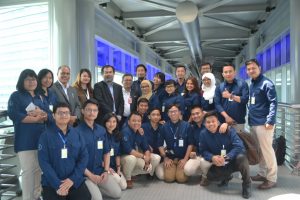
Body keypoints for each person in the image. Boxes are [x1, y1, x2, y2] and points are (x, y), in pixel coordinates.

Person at [8, 69, 51, 200]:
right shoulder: (16, 96)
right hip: (25, 140)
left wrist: (41, 115)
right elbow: (14, 115)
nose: (32, 82)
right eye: (28, 79)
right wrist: (36, 118)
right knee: (27, 171)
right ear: (22, 81)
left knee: (38, 169)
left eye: (33, 79)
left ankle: (36, 196)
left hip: (41, 139)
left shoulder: (40, 96)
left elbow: (47, 115)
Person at [38, 103, 91, 200]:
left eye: (66, 113)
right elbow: (44, 162)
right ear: (53, 115)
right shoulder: (45, 136)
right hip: (52, 183)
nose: (64, 115)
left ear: (70, 115)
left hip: (74, 180)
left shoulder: (77, 134)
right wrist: (58, 184)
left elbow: (84, 157)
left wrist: (72, 179)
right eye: (60, 113)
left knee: (87, 197)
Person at [198, 111, 251, 199]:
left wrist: (228, 156)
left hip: (233, 160)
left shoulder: (229, 130)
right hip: (218, 162)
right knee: (211, 177)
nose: (211, 124)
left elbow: (239, 146)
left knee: (242, 158)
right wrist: (212, 157)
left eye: (213, 121)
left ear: (218, 122)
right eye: (208, 122)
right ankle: (227, 177)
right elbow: (203, 151)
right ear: (204, 124)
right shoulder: (203, 134)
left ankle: (247, 184)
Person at [76, 99, 122, 200]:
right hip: (85, 175)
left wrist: (105, 171)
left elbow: (106, 152)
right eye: (89, 110)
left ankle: (95, 188)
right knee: (97, 199)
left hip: (100, 171)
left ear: (98, 112)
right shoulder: (76, 132)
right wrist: (91, 176)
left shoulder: (101, 130)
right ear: (83, 111)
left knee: (117, 194)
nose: (92, 113)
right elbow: (76, 160)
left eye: (95, 110)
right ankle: (88, 188)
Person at [245, 59, 278, 190]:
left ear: (259, 68)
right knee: (260, 150)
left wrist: (270, 120)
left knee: (267, 150)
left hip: (264, 123)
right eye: (249, 69)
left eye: (253, 68)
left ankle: (271, 178)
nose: (251, 71)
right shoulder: (252, 84)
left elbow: (273, 103)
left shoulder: (266, 83)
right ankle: (262, 173)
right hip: (254, 121)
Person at [120, 111, 161, 188]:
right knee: (131, 159)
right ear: (128, 122)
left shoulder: (140, 131)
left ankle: (132, 173)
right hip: (124, 157)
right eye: (134, 120)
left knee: (156, 159)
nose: (136, 123)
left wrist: (148, 158)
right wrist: (144, 157)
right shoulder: (125, 132)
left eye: (139, 121)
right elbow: (129, 150)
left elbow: (146, 147)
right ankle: (127, 178)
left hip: (136, 157)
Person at [156, 104, 193, 183]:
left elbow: (190, 144)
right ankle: (172, 169)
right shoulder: (164, 127)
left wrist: (185, 159)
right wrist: (165, 158)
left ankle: (178, 170)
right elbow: (160, 145)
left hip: (182, 158)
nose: (173, 113)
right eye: (170, 112)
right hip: (170, 158)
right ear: (168, 114)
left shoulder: (187, 125)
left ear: (179, 112)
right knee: (169, 179)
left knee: (181, 179)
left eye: (175, 111)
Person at [214, 64, 249, 133]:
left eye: (230, 71)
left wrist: (230, 96)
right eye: (226, 72)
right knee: (224, 143)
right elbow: (217, 104)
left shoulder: (242, 84)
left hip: (238, 122)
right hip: (223, 122)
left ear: (235, 72)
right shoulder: (219, 87)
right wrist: (227, 117)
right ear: (223, 74)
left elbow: (245, 100)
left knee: (239, 142)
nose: (228, 74)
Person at [103, 113, 127, 190]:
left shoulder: (117, 135)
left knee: (123, 186)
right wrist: (107, 168)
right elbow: (97, 155)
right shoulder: (101, 135)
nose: (111, 124)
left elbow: (118, 154)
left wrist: (118, 168)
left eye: (114, 121)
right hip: (104, 167)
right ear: (105, 122)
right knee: (117, 180)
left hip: (114, 166)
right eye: (109, 121)